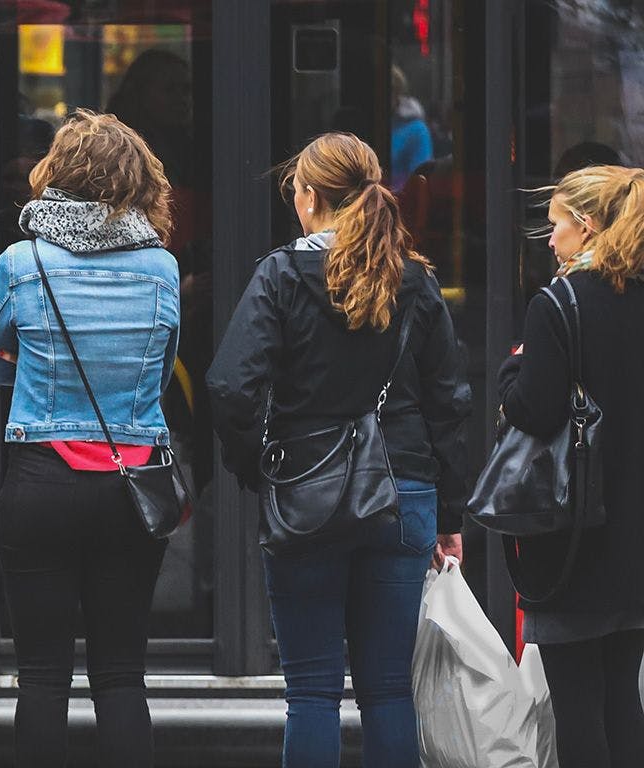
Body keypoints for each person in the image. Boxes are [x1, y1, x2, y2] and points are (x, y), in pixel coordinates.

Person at [206, 132, 469, 768]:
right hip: (403, 491)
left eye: (295, 190)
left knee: (313, 694)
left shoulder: (280, 275)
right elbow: (450, 406)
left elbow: (229, 388)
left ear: (312, 198)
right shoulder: (414, 281)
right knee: (387, 693)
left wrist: (257, 468)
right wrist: (450, 516)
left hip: (306, 493)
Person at [0, 109, 179, 768]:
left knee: (41, 674)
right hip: (132, 482)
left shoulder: (22, 261)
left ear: (56, 174)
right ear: (136, 180)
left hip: (42, 481)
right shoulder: (160, 267)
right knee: (121, 673)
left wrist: (32, 366)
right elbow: (164, 357)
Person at [499, 164, 644, 767]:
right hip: (636, 541)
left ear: (586, 227)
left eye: (555, 225)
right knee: (623, 698)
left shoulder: (557, 304)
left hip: (576, 537)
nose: (550, 239)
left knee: (578, 709)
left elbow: (531, 409)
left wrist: (514, 367)